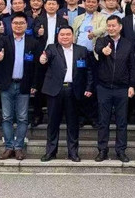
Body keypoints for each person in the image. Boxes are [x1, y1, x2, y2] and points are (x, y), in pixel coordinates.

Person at [39, 27, 94, 162]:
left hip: (73, 90)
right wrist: (43, 59)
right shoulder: (52, 48)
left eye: (68, 34)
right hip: (54, 91)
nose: (65, 37)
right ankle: (51, 152)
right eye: (62, 34)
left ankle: (73, 152)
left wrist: (88, 87)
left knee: (73, 123)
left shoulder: (82, 50)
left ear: (73, 36)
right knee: (53, 123)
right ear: (58, 36)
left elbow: (89, 71)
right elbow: (45, 57)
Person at [0, 14, 38, 160]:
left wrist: (34, 84)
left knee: (22, 118)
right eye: (15, 23)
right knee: (7, 117)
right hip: (7, 84)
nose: (18, 25)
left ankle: (18, 147)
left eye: (21, 23)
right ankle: (9, 147)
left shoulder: (33, 42)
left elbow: (36, 66)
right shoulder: (3, 40)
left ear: (26, 25)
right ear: (11, 25)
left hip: (24, 84)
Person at [94, 15, 135, 163]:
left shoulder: (128, 44)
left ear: (120, 27)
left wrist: (132, 85)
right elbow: (98, 49)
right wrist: (103, 50)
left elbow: (132, 66)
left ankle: (121, 150)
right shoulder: (102, 41)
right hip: (104, 87)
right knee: (103, 121)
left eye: (113, 26)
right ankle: (102, 150)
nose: (111, 28)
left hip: (122, 88)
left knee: (122, 121)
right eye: (109, 26)